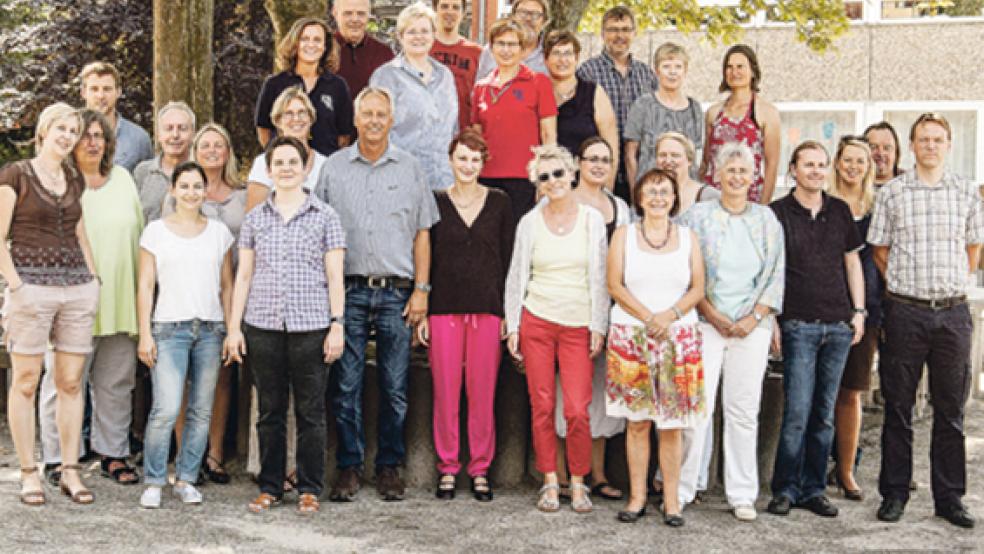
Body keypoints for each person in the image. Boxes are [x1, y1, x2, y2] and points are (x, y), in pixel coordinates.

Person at [314, 87, 440, 503]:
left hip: (396, 292)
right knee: (345, 384)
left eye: (380, 114)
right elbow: (319, 234)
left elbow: (423, 233)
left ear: (391, 119)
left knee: (395, 385)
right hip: (347, 291)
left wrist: (421, 290)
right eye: (365, 113)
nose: (372, 120)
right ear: (354, 118)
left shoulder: (410, 169)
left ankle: (390, 466)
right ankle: (349, 467)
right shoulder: (333, 168)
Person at [868, 113, 983, 529]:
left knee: (950, 409)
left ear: (948, 145)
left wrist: (948, 282)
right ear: (912, 146)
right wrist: (906, 284)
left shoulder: (966, 193)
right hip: (906, 312)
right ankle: (895, 493)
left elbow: (973, 248)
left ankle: (949, 498)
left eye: (938, 139)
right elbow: (880, 250)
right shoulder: (894, 193)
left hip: (952, 313)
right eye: (923, 139)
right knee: (898, 407)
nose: (930, 145)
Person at [226, 136, 346, 515]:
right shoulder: (254, 219)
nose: (287, 168)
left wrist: (337, 324)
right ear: (269, 168)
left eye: (293, 161)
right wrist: (234, 329)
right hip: (262, 325)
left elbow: (335, 275)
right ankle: (271, 486)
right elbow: (243, 276)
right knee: (269, 411)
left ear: (305, 167)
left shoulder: (326, 216)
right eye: (279, 162)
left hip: (311, 325)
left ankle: (310, 487)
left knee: (311, 412)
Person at [677, 142, 785, 522]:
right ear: (717, 175)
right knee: (696, 409)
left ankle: (742, 493)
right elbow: (686, 272)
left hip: (751, 328)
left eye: (744, 170)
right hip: (706, 323)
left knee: (742, 411)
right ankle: (686, 486)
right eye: (730, 170)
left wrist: (753, 319)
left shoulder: (767, 220)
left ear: (754, 176)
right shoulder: (695, 217)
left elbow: (775, 275)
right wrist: (711, 313)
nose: (737, 176)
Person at [0, 103, 100, 506]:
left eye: (73, 130)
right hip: (31, 288)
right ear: (44, 130)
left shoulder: (74, 178)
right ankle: (28, 473)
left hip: (76, 289)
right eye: (61, 127)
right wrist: (17, 286)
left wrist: (94, 281)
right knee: (25, 381)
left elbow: (81, 234)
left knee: (71, 383)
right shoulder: (15, 176)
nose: (68, 135)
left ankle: (70, 471)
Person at [38, 109, 143, 488]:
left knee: (115, 382)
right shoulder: (56, 184)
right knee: (63, 381)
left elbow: (139, 237)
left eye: (99, 135)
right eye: (85, 135)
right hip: (68, 302)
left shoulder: (124, 180)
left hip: (119, 299)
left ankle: (112, 453)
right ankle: (57, 457)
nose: (93, 142)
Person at [504, 144, 608, 514]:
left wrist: (599, 324)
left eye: (558, 173)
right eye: (544, 176)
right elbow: (518, 274)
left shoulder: (592, 220)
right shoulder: (529, 222)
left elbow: (599, 276)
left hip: (578, 322)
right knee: (543, 405)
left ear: (572, 174)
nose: (553, 181)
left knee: (578, 409)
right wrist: (513, 324)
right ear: (537, 183)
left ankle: (578, 482)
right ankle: (550, 479)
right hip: (538, 319)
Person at [766, 141, 865, 519]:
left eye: (822, 165)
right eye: (808, 165)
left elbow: (852, 264)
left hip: (838, 326)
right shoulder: (777, 213)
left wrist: (858, 312)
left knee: (824, 413)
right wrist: (772, 318)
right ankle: (785, 488)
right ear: (793, 169)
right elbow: (771, 270)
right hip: (797, 325)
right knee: (797, 412)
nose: (816, 171)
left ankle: (813, 488)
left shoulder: (840, 210)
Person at [416, 130, 513, 501]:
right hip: (443, 309)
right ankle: (447, 466)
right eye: (462, 158)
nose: (468, 165)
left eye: (475, 159)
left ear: (483, 163)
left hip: (488, 310)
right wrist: (422, 309)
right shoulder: (436, 202)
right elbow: (426, 257)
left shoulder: (500, 202)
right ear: (450, 160)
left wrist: (507, 313)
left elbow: (508, 259)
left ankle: (480, 469)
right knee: (445, 392)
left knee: (482, 392)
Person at [608, 168, 706, 527]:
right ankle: (636, 498)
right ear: (639, 197)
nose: (658, 198)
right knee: (636, 424)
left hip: (678, 339)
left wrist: (669, 316)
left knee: (672, 426)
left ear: (674, 197)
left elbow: (698, 288)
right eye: (651, 191)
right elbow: (614, 285)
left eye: (664, 191)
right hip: (631, 336)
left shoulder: (688, 237)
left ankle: (671, 502)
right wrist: (649, 317)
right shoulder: (624, 236)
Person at [136, 161, 234, 509]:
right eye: (185, 185)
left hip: (209, 328)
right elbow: (146, 286)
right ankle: (154, 479)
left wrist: (230, 329)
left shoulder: (219, 232)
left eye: (198, 186)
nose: (192, 192)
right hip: (168, 328)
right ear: (172, 190)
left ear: (205, 191)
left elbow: (227, 286)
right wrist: (145, 333)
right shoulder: (156, 232)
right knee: (165, 407)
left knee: (201, 409)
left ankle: (188, 478)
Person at [165, 123, 247, 485]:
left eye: (219, 145)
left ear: (228, 152)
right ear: (195, 152)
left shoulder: (242, 197)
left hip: (226, 296)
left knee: (221, 379)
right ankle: (186, 454)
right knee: (183, 381)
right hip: (184, 297)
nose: (212, 151)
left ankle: (213, 454)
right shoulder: (181, 194)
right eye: (205, 145)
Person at [553, 137, 629, 500]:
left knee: (599, 395)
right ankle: (563, 474)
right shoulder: (562, 201)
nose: (599, 165)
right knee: (565, 393)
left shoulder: (620, 207)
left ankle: (596, 472)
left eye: (605, 160)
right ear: (578, 164)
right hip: (568, 306)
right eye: (592, 159)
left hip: (610, 309)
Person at [828, 135, 879, 501]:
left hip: (867, 311)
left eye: (860, 161)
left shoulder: (878, 208)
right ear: (838, 162)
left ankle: (845, 469)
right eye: (847, 159)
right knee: (818, 395)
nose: (853, 166)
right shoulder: (825, 204)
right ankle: (812, 467)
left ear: (869, 166)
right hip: (824, 306)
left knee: (850, 393)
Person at [472, 18, 557, 226]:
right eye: (500, 44)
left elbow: (549, 135)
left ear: (522, 49)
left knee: (520, 242)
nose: (506, 50)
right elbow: (476, 137)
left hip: (524, 179)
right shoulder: (481, 88)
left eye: (512, 44)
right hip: (486, 179)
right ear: (491, 48)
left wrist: (545, 179)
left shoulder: (539, 82)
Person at [369, 2, 458, 189]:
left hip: (443, 180)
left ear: (434, 34)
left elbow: (452, 129)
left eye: (425, 31)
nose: (419, 37)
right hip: (401, 181)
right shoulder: (386, 76)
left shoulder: (445, 75)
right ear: (400, 37)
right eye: (411, 32)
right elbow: (374, 130)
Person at [576, 5, 657, 203]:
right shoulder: (587, 73)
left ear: (634, 33)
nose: (619, 35)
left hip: (639, 170)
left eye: (625, 30)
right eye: (613, 30)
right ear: (603, 34)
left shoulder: (647, 75)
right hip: (600, 169)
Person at [254, 17, 353, 157]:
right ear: (295, 43)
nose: (311, 44)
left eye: (317, 40)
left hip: (324, 166)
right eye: (304, 39)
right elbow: (263, 130)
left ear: (325, 46)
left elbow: (344, 137)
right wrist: (278, 155)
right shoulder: (274, 84)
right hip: (286, 168)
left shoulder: (338, 86)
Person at [700, 45, 780, 204]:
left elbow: (772, 165)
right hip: (714, 197)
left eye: (740, 66)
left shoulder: (766, 113)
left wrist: (764, 206)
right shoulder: (714, 113)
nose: (734, 72)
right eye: (729, 67)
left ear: (753, 71)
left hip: (749, 198)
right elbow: (706, 161)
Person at [543, 31, 618, 187]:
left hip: (586, 185)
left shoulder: (594, 93)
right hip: (546, 184)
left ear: (576, 58)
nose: (562, 60)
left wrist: (607, 190)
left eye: (568, 53)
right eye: (556, 53)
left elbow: (611, 148)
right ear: (546, 59)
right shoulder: (537, 92)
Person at [624, 43, 702, 190]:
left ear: (685, 71)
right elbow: (630, 154)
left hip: (685, 192)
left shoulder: (694, 108)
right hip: (650, 191)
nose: (672, 72)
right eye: (666, 66)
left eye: (678, 67)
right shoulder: (643, 105)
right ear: (657, 71)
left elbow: (697, 155)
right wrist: (636, 193)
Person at [246, 87, 328, 211]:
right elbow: (253, 218)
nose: (296, 119)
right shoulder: (262, 163)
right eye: (288, 114)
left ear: (311, 119)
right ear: (278, 121)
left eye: (302, 112)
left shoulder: (326, 164)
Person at [78, 61, 153, 172]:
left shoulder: (138, 139)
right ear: (83, 92)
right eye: (94, 89)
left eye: (107, 89)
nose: (101, 96)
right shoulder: (69, 134)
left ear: (118, 92)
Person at [133, 101, 195, 222]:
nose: (175, 135)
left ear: (193, 134)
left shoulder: (202, 172)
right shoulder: (142, 172)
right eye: (168, 128)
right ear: (158, 135)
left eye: (182, 128)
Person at [430, 0, 483, 131]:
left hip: (464, 132)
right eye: (444, 6)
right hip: (428, 132)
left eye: (455, 7)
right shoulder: (423, 47)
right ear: (435, 9)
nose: (450, 11)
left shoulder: (476, 53)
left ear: (463, 13)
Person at [332, 0, 394, 100]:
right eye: (348, 13)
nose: (355, 19)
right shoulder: (322, 50)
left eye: (361, 13)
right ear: (335, 13)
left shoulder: (384, 54)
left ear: (369, 15)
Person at [475, 0, 549, 80]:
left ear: (544, 20)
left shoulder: (552, 52)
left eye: (535, 14)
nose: (528, 18)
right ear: (513, 16)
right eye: (522, 12)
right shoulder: (490, 51)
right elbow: (479, 88)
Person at [656, 132, 719, 215]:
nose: (668, 161)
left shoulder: (709, 196)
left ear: (689, 160)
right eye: (662, 155)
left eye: (675, 155)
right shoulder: (648, 195)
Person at [864, 121, 902, 186]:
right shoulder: (848, 186)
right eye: (873, 147)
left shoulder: (912, 186)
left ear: (896, 153)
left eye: (887, 148)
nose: (880, 153)